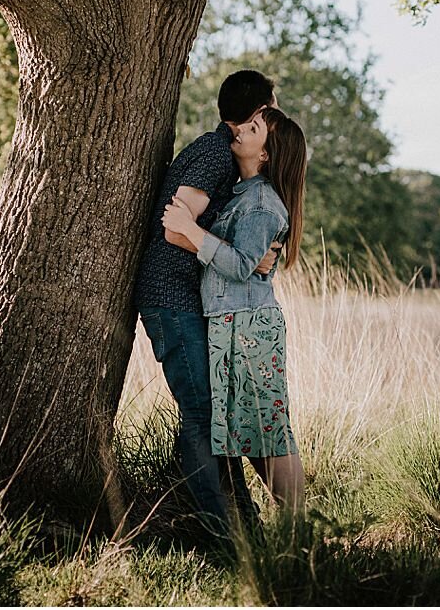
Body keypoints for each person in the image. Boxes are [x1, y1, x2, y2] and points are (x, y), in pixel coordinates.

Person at [134, 69, 277, 537]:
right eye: (270, 110)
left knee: (214, 410)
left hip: (187, 296)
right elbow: (175, 228)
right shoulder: (214, 153)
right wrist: (233, 256)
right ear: (256, 113)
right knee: (201, 412)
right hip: (170, 296)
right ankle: (222, 533)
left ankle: (242, 523)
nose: (273, 119)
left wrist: (250, 258)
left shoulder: (226, 159)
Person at [162, 107, 307, 512]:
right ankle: (292, 521)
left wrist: (189, 229)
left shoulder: (261, 202)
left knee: (268, 431)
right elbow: (244, 256)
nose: (241, 129)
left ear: (265, 154)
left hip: (250, 326)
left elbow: (241, 264)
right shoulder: (243, 193)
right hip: (233, 322)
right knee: (252, 429)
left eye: (254, 127)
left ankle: (299, 525)